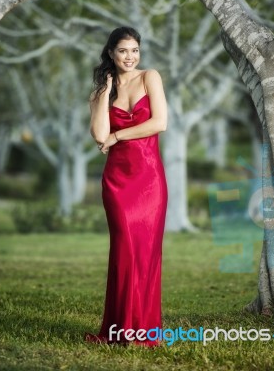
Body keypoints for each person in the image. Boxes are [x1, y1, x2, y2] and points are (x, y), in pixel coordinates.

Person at [86, 26, 168, 347]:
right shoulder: (99, 94)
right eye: (123, 51)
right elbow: (98, 134)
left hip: (150, 181)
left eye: (135, 50)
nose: (130, 57)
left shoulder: (151, 77)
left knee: (147, 254)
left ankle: (144, 328)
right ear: (111, 53)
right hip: (118, 183)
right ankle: (118, 328)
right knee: (124, 252)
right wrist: (105, 94)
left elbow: (159, 123)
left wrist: (119, 136)